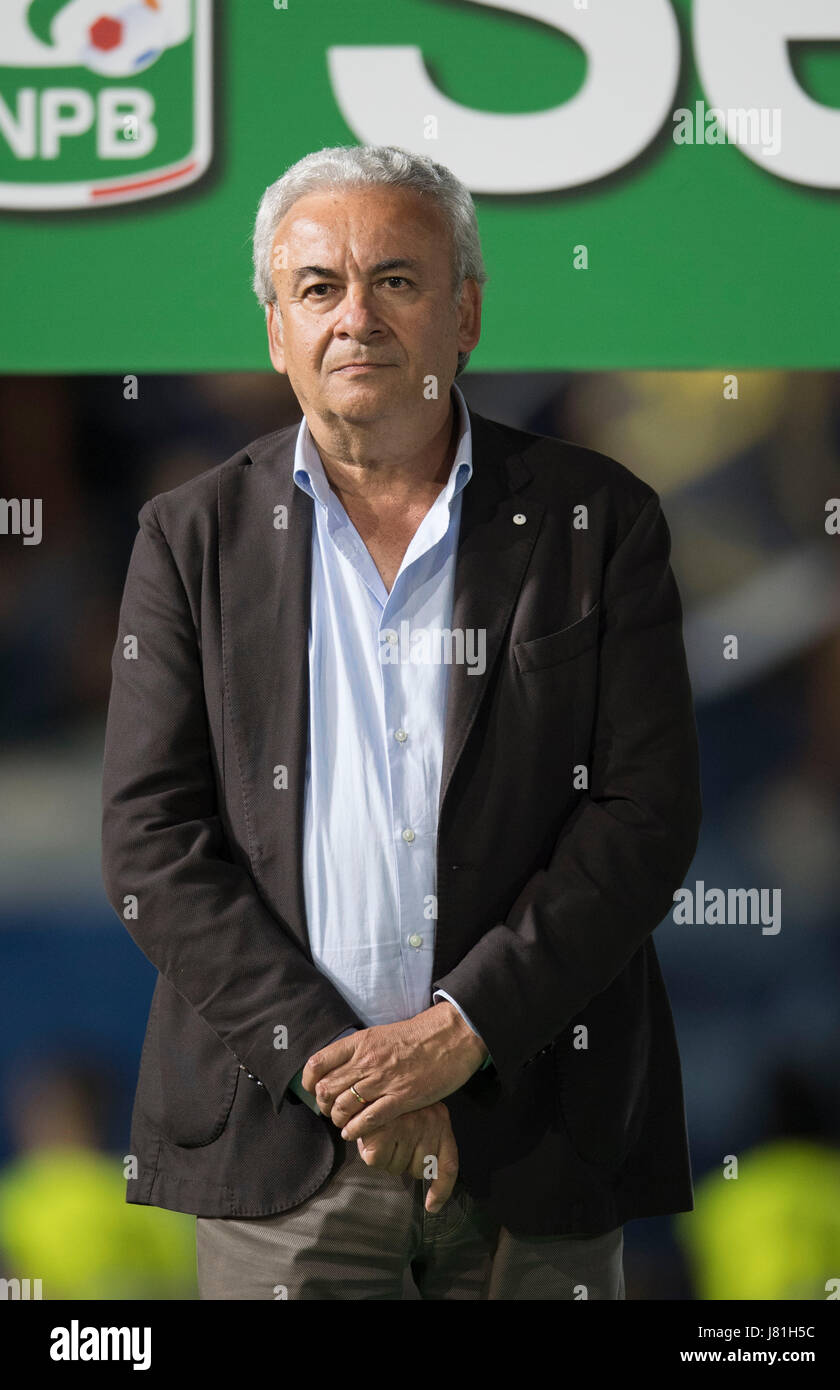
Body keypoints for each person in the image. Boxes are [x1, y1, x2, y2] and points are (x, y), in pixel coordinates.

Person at [101, 143, 702, 1300]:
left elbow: (645, 818)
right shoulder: (186, 540)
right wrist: (356, 1080)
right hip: (282, 1156)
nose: (355, 318)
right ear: (274, 328)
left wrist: (459, 1034)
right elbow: (150, 847)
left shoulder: (600, 519)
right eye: (318, 287)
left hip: (541, 1141)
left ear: (466, 312)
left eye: (397, 280)